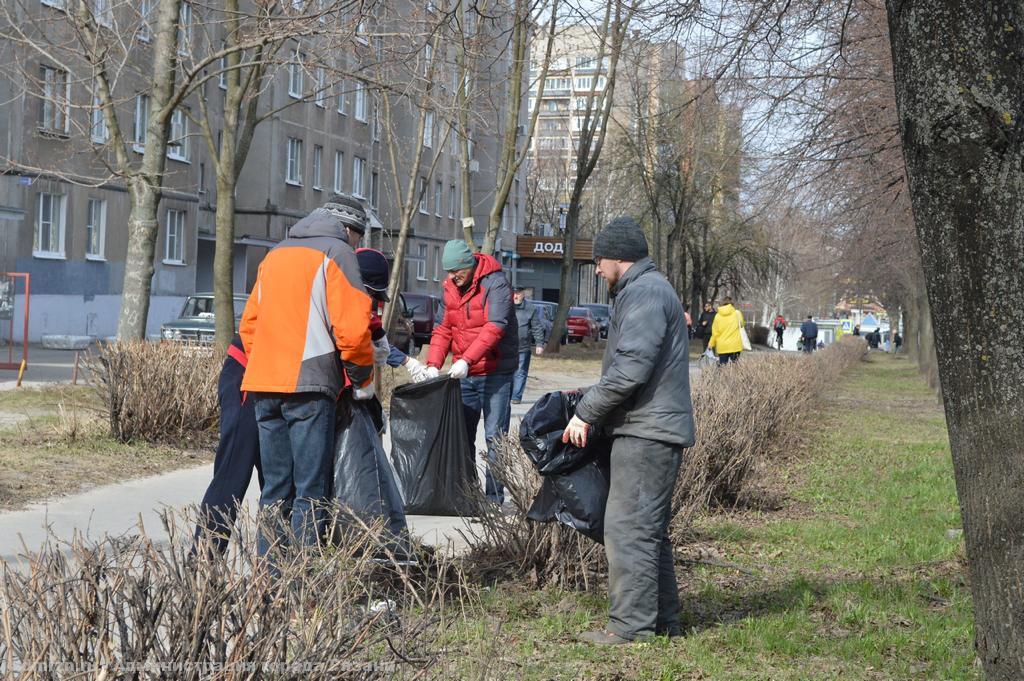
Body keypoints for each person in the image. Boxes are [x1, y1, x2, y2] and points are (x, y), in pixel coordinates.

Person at [561, 216, 694, 645]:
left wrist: (586, 412)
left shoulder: (645, 293)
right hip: (650, 427)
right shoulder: (645, 291)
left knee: (627, 528)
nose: (597, 270)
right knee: (646, 528)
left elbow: (630, 370)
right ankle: (663, 622)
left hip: (646, 431)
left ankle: (631, 629)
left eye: (599, 261)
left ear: (619, 257)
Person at [240, 194, 375, 558]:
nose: (358, 244)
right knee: (310, 492)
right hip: (309, 388)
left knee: (274, 491)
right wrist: (362, 380)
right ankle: (304, 586)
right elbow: (353, 330)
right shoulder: (338, 253)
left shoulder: (276, 254)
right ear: (348, 229)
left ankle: (270, 580)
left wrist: (270, 363)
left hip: (264, 384)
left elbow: (249, 326)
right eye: (359, 236)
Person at [424, 240, 518, 503]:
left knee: (494, 438)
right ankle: (467, 496)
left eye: (456, 271)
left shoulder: (495, 283)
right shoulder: (450, 288)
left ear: (469, 264)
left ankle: (493, 500)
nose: (452, 277)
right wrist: (433, 364)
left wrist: (467, 359)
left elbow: (495, 326)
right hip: (464, 375)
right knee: (461, 436)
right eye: (448, 272)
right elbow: (443, 329)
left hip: (495, 372)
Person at [192, 335, 263, 555]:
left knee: (279, 484)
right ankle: (203, 566)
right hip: (249, 375)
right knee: (231, 477)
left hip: (278, 381)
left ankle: (275, 573)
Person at [355, 247, 430, 382]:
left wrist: (407, 361)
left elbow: (374, 332)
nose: (371, 299)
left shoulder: (362, 311)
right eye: (370, 293)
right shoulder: (339, 304)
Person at [511, 286, 545, 405]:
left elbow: (536, 327)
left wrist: (539, 344)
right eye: (514, 293)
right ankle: (507, 394)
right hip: (507, 347)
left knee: (520, 372)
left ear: (523, 294)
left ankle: (516, 396)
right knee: (508, 372)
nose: (515, 296)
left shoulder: (530, 308)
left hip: (523, 346)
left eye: (518, 293)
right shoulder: (506, 306)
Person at [708, 296, 745, 364]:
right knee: (735, 367)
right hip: (735, 345)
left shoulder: (717, 316)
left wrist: (710, 344)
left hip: (722, 346)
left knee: (722, 367)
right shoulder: (737, 313)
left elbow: (715, 333)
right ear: (732, 304)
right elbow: (742, 325)